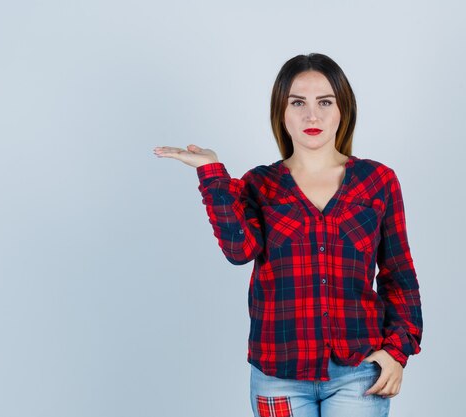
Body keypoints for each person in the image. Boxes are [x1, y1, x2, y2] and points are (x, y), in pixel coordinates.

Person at [153, 52, 422, 417]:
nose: (312, 115)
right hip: (277, 376)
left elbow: (399, 276)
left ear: (343, 109)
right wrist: (212, 173)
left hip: (359, 373)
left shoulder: (378, 182)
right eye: (298, 103)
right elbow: (239, 249)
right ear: (282, 112)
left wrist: (396, 351)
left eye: (325, 102)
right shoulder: (259, 184)